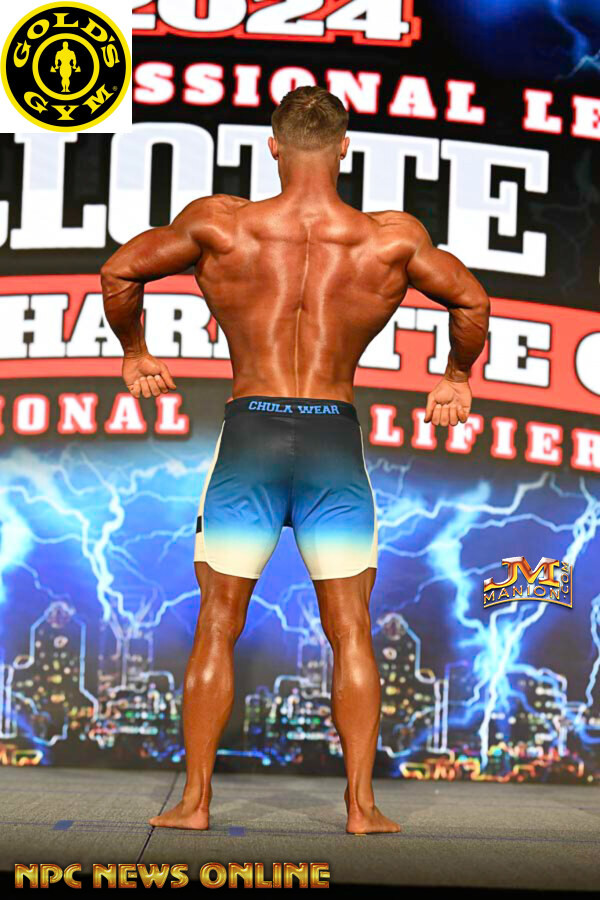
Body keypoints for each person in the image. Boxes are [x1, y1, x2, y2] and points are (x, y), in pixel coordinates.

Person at [100, 86, 490, 834]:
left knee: (218, 622)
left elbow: (120, 271)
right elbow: (471, 302)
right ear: (345, 148)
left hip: (250, 437)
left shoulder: (221, 225)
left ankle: (195, 803)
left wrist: (136, 352)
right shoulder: (389, 240)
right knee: (351, 629)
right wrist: (455, 375)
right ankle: (361, 808)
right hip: (331, 444)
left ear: (272, 147)